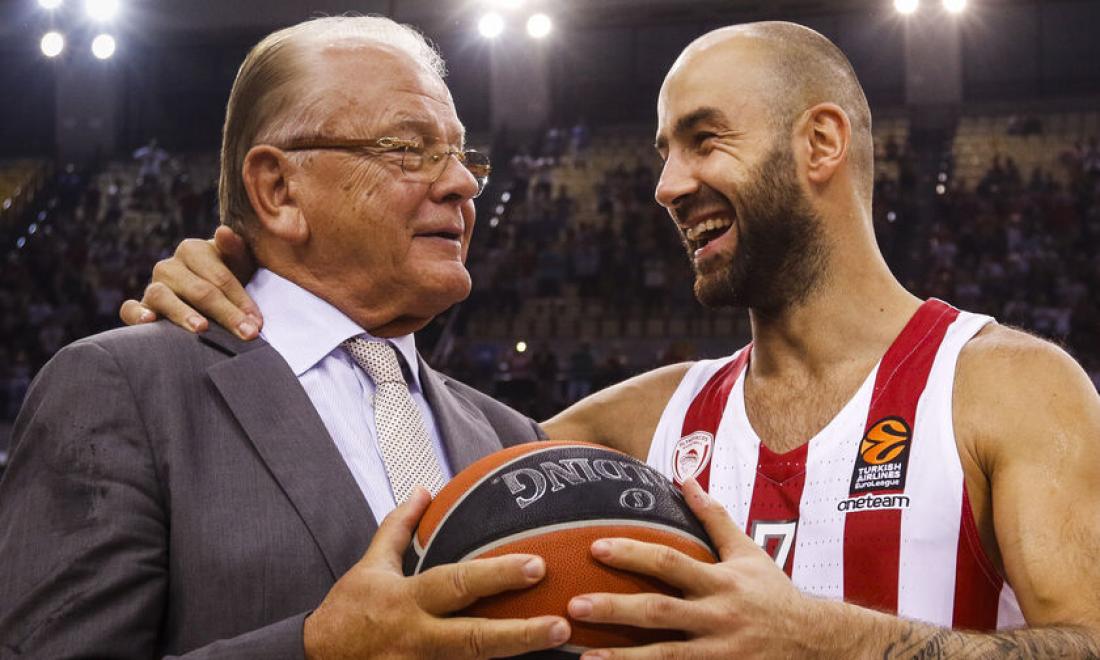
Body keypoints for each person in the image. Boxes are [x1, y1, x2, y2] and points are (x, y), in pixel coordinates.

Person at [121, 21, 1100, 658]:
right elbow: (377, 450)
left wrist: (818, 639)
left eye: (703, 140)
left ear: (819, 143)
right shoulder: (635, 425)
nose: (667, 185)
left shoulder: (1006, 387)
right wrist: (242, 282)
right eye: (663, 152)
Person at [0, 17, 573, 658]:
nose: (462, 182)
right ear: (278, 190)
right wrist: (318, 649)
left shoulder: (515, 441)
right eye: (410, 150)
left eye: (462, 155)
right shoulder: (123, 391)